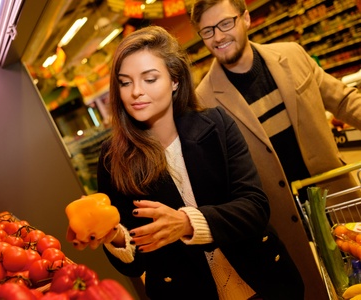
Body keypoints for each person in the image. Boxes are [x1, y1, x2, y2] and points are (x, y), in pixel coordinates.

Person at [66, 25, 304, 300]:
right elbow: (133, 263)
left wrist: (186, 223)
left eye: (150, 79)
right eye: (125, 82)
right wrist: (112, 236)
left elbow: (254, 207)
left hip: (264, 284)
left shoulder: (217, 124)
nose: (135, 92)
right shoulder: (113, 158)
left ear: (175, 80)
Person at [190, 0, 361, 298]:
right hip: (282, 228)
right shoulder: (204, 101)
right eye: (207, 31)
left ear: (245, 19)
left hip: (338, 203)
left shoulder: (291, 55)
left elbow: (344, 100)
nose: (218, 36)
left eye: (225, 23)